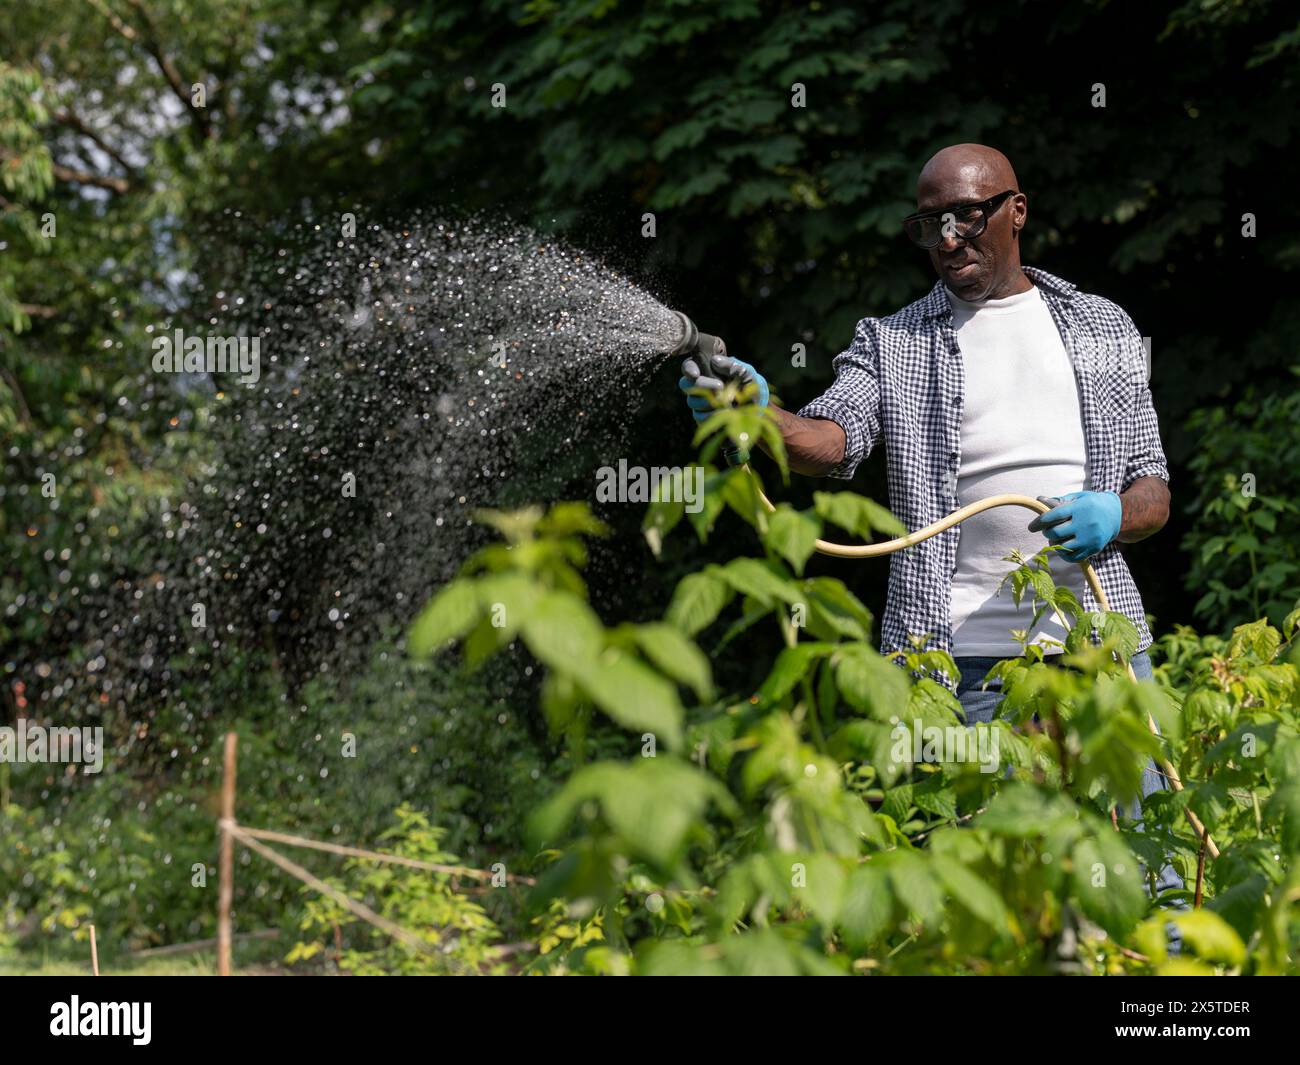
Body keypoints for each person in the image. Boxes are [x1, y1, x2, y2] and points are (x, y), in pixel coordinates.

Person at [679, 143, 1184, 905]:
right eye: (929, 225)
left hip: (1101, 654)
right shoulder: (895, 340)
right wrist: (759, 417)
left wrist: (1113, 513)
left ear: (1016, 211)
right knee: (986, 895)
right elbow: (834, 440)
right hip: (958, 673)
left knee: (1151, 874)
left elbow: (1154, 488)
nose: (947, 239)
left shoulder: (1101, 325)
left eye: (965, 217)